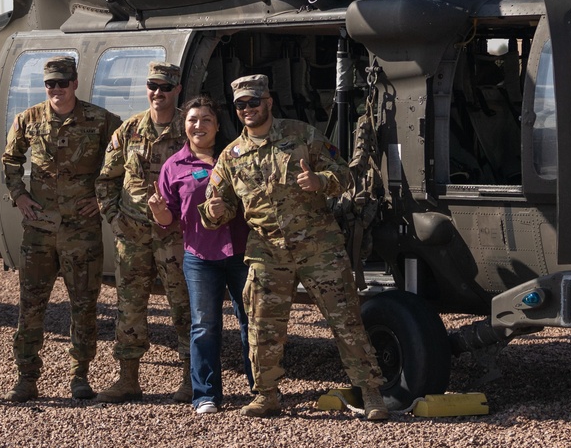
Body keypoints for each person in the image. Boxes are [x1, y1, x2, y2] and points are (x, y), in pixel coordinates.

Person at [198, 74, 389, 421]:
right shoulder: (231, 156)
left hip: (318, 246)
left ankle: (371, 393)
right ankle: (266, 394)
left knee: (345, 320)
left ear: (268, 101)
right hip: (267, 251)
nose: (248, 109)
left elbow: (346, 174)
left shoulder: (302, 135)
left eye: (254, 101)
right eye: (241, 104)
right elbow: (221, 208)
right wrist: (212, 212)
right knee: (263, 325)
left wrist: (321, 182)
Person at [0, 56, 122, 403]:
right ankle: (26, 378)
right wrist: (19, 195)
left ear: (75, 83)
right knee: (31, 305)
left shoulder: (100, 121)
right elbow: (10, 159)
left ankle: (79, 375)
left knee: (83, 305)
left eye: (62, 83)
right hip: (38, 231)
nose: (56, 89)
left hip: (81, 231)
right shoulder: (28, 119)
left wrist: (102, 199)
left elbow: (123, 157)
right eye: (50, 84)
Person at [149, 96, 254, 415]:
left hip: (240, 252)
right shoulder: (174, 166)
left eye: (206, 119)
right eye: (193, 119)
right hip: (200, 256)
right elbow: (169, 220)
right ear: (184, 125)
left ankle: (260, 389)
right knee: (204, 325)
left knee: (252, 319)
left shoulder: (236, 157)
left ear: (218, 125)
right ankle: (205, 394)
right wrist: (157, 212)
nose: (199, 125)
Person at [94, 62, 192, 404]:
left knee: (183, 306)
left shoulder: (189, 130)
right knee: (129, 307)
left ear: (177, 90)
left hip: (175, 236)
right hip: (132, 234)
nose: (158, 93)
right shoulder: (128, 130)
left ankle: (189, 379)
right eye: (153, 86)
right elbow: (106, 179)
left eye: (165, 87)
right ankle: (128, 379)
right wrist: (114, 218)